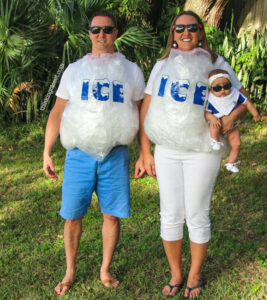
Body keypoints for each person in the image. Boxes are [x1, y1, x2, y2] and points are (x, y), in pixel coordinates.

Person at [135, 11, 250, 298]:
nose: (185, 33)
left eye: (192, 28)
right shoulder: (162, 65)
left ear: (201, 31)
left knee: (197, 213)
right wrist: (145, 151)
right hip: (167, 150)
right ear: (172, 32)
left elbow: (243, 98)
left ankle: (195, 274)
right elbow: (147, 108)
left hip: (202, 150)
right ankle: (176, 272)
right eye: (179, 28)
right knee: (170, 214)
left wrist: (229, 119)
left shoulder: (214, 63)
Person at [43, 11, 145, 296]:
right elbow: (57, 112)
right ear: (89, 33)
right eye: (96, 29)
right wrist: (47, 151)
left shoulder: (131, 71)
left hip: (115, 155)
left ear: (116, 33)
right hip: (79, 155)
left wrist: (143, 153)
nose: (102, 35)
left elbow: (141, 112)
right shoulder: (74, 71)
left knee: (111, 216)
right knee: (72, 216)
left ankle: (105, 269)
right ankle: (70, 271)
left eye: (108, 30)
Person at [205, 69, 260, 173]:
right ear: (211, 88)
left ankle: (231, 163)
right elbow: (206, 113)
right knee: (214, 124)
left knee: (237, 144)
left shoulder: (234, 93)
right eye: (217, 88)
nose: (222, 90)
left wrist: (255, 113)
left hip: (232, 126)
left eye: (226, 86)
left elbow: (247, 103)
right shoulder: (211, 99)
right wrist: (212, 118)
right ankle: (215, 141)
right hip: (217, 122)